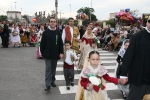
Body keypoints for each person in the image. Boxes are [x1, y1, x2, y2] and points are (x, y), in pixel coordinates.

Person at [120, 15, 150, 100]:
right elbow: (129, 55)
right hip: (139, 79)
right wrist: (123, 74)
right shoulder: (138, 36)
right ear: (146, 22)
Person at [40, 17, 64, 91]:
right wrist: (43, 54)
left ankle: (52, 81)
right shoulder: (45, 33)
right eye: (51, 21)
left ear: (56, 23)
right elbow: (42, 44)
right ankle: (48, 84)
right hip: (47, 54)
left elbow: (60, 44)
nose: (53, 23)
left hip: (55, 54)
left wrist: (61, 52)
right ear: (49, 23)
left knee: (53, 69)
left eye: (54, 21)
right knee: (48, 69)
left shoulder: (58, 33)